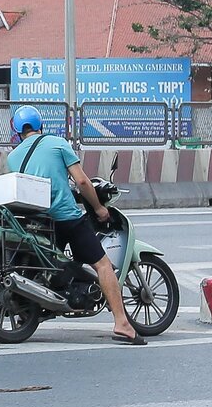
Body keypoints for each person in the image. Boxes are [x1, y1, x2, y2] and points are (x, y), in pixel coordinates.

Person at [7, 104, 142, 344]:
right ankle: (122, 323)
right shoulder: (58, 143)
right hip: (65, 216)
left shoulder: (13, 156)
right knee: (102, 264)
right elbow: (81, 181)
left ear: (17, 132)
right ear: (41, 126)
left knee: (52, 265)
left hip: (38, 221)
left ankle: (29, 312)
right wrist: (100, 209)